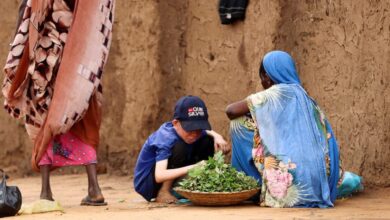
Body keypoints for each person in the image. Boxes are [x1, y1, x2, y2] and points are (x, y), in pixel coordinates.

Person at [2, 0, 115, 206]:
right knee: (84, 118)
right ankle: (94, 188)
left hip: (48, 56)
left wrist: (18, 55)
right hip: (80, 60)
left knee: (43, 117)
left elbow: (27, 16)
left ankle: (46, 192)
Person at [225, 50, 363, 208]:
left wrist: (255, 110)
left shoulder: (274, 94)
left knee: (238, 123)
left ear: (266, 76)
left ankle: (252, 185)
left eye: (262, 77)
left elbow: (231, 111)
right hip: (318, 183)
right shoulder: (306, 98)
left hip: (288, 186)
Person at [134, 95, 230, 203]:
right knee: (180, 146)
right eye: (190, 129)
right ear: (175, 123)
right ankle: (163, 192)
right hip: (149, 185)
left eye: (198, 129)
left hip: (172, 175)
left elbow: (204, 132)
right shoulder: (166, 137)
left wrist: (217, 136)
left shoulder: (189, 132)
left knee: (207, 140)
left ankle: (194, 186)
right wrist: (196, 166)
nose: (194, 134)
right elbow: (159, 175)